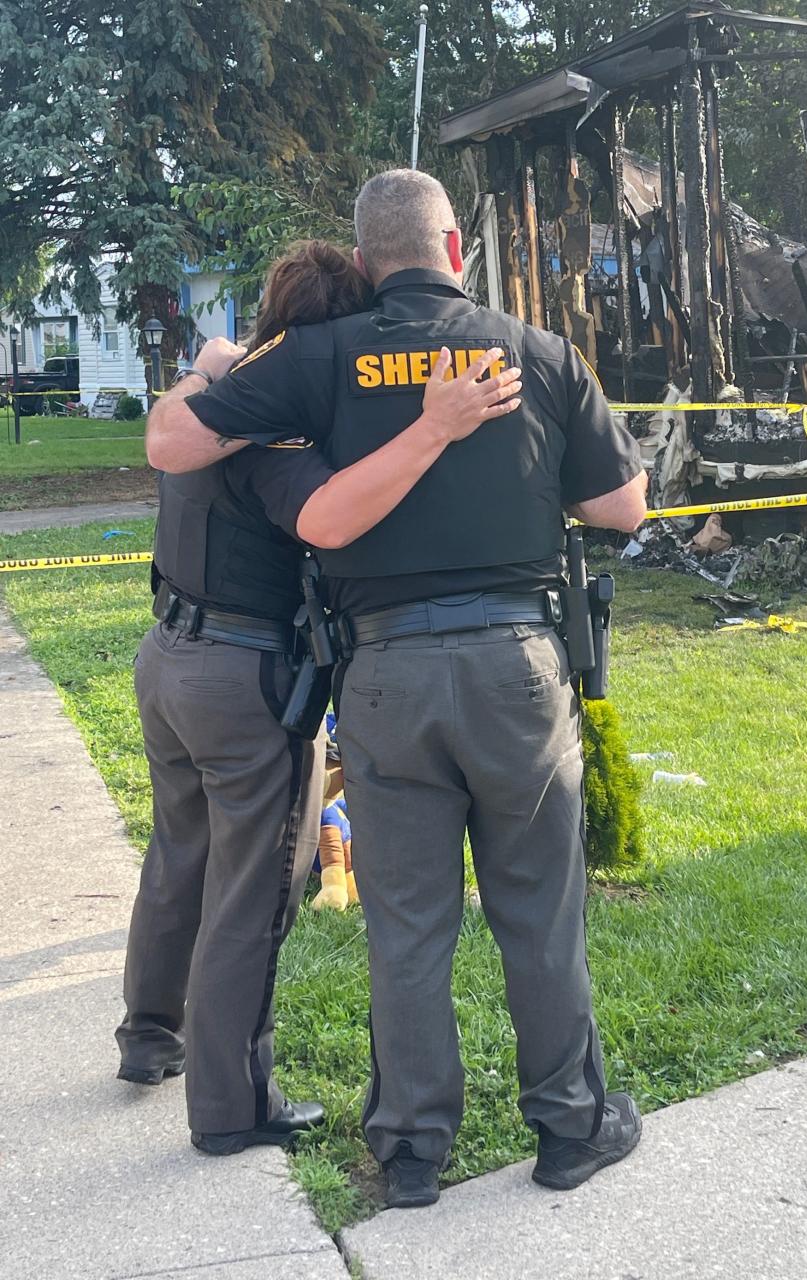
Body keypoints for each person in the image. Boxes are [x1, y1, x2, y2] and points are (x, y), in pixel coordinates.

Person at [144, 169, 649, 1206]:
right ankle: (569, 1126)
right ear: (457, 249)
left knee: (407, 925)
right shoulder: (537, 351)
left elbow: (176, 441)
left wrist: (225, 367)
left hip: (381, 678)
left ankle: (413, 1147)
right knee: (538, 914)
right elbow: (623, 507)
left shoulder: (323, 356)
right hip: (517, 669)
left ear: (369, 263)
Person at [117, 238, 522, 1158]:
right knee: (256, 890)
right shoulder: (276, 436)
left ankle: (149, 1035)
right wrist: (430, 432)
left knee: (180, 851)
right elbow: (329, 515)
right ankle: (233, 1105)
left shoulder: (211, 399)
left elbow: (178, 419)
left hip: (167, 656)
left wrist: (210, 360)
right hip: (243, 677)